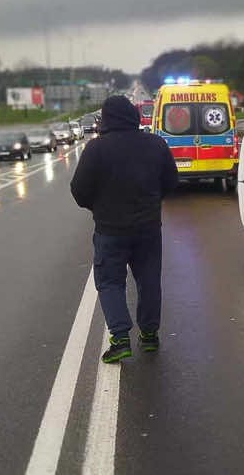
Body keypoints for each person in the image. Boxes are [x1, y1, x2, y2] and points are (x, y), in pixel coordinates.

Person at [71, 95, 178, 363]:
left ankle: (120, 338)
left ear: (105, 119)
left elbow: (79, 190)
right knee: (149, 279)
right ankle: (150, 335)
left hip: (110, 230)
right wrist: (153, 201)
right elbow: (171, 181)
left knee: (109, 282)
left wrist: (98, 206)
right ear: (133, 116)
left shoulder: (96, 149)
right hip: (148, 228)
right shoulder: (156, 144)